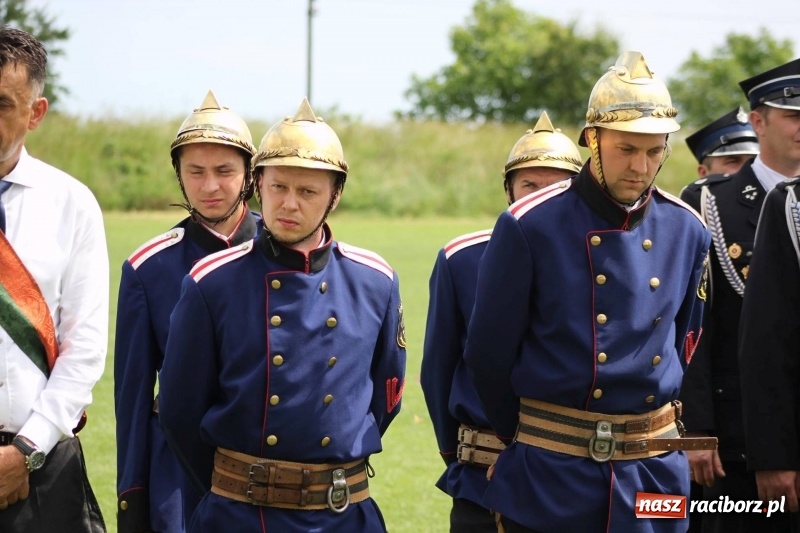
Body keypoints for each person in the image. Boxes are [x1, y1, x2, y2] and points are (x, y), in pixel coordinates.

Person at [463, 51, 716, 533]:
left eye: (654, 150)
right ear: (592, 140)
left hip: (652, 473)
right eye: (626, 149)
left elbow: (686, 340)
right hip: (553, 471)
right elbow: (487, 355)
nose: (640, 166)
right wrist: (529, 438)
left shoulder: (688, 230)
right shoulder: (529, 225)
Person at [158, 98, 407, 532]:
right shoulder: (211, 282)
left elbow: (386, 397)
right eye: (278, 188)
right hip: (240, 515)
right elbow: (181, 413)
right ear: (257, 184)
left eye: (308, 191)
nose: (289, 205)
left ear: (335, 194)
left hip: (343, 515)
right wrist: (242, 483)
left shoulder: (375, 281)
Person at [420, 111, 582, 533]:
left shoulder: (608, 262)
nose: (540, 198)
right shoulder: (462, 258)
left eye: (556, 186)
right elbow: (438, 368)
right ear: (508, 189)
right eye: (529, 185)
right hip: (482, 473)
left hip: (576, 474)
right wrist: (454, 453)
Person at [114, 90, 260, 533]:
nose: (210, 186)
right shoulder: (148, 268)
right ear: (178, 175)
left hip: (269, 471)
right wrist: (133, 498)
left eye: (224, 171)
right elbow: (133, 400)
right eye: (195, 171)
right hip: (178, 475)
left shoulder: (286, 254)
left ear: (250, 175)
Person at [0, 25, 107, 532]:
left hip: (42, 461)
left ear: (34, 113)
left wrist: (27, 450)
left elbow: (84, 346)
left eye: (1, 103)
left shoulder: (71, 203)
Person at [679, 93, 800, 531]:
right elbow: (693, 324)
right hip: (732, 434)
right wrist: (695, 427)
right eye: (793, 116)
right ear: (760, 121)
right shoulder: (710, 201)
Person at [737, 58, 800, 518]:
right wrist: (774, 456)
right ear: (758, 121)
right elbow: (766, 340)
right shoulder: (790, 204)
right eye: (793, 115)